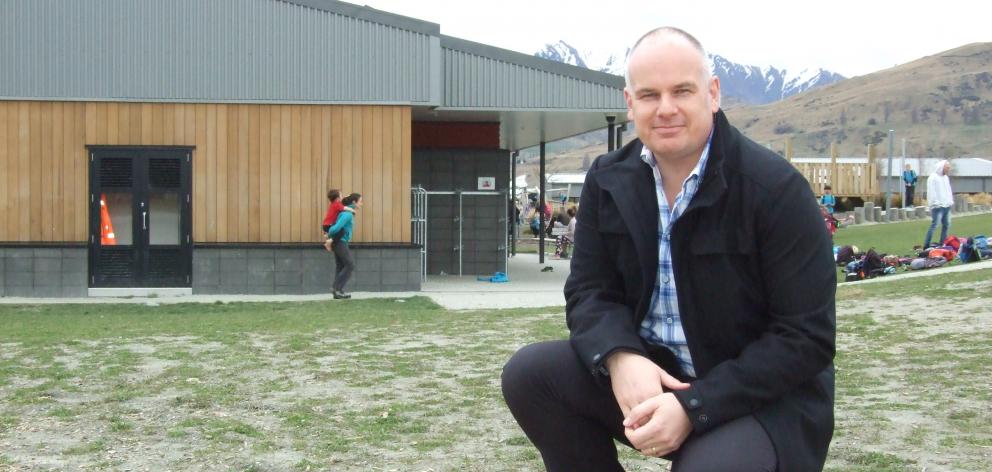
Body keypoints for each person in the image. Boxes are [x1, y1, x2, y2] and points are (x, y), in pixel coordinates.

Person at [501, 27, 836, 472]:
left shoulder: (774, 189)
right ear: (629, 103)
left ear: (712, 94)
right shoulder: (608, 180)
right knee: (532, 375)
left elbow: (806, 336)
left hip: (758, 399)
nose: (666, 109)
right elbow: (589, 292)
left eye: (682, 90)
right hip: (657, 374)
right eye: (649, 94)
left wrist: (695, 405)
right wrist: (620, 356)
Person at [326, 193, 362, 299]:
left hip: (339, 242)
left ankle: (339, 292)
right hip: (340, 242)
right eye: (360, 201)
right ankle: (336, 287)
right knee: (350, 265)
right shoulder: (347, 214)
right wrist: (330, 235)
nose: (362, 204)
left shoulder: (346, 213)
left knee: (341, 266)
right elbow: (334, 228)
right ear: (354, 202)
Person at [924, 160, 953, 248]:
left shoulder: (945, 178)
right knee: (935, 225)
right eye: (947, 168)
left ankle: (942, 243)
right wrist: (936, 203)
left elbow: (949, 190)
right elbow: (931, 192)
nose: (948, 169)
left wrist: (950, 201)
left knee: (946, 225)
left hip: (946, 205)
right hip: (938, 207)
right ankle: (926, 245)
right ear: (942, 167)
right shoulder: (933, 178)